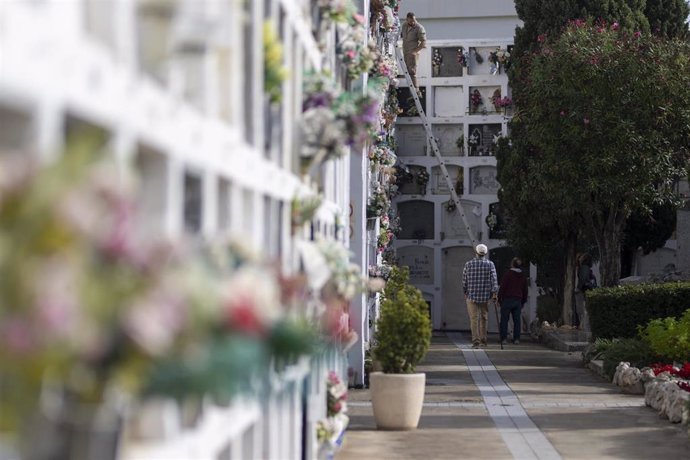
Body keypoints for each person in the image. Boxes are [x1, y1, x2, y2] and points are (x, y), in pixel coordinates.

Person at [462, 244, 498, 348]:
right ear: (485, 253)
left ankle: (476, 341)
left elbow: (464, 280)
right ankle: (483, 340)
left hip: (471, 296)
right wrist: (494, 293)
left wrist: (465, 291)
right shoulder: (490, 264)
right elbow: (494, 281)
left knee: (474, 319)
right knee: (484, 318)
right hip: (485, 296)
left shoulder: (468, 264)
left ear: (476, 252)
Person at [498, 257, 528, 345]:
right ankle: (516, 339)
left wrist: (499, 299)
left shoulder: (508, 274)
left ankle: (503, 339)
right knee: (517, 321)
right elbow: (525, 290)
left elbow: (503, 287)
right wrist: (523, 301)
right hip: (518, 300)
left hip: (507, 299)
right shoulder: (523, 275)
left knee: (504, 320)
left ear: (512, 264)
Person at [401, 12, 426, 89]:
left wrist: (415, 51)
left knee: (412, 71)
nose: (413, 22)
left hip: (413, 53)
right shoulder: (404, 25)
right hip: (405, 51)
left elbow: (423, 42)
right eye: (411, 21)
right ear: (407, 19)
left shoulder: (419, 28)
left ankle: (416, 90)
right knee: (407, 71)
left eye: (414, 20)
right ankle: (411, 90)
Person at [575, 252, 595, 330]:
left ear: (584, 259)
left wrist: (578, 288)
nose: (579, 258)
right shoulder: (586, 268)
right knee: (584, 310)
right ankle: (583, 326)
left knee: (581, 310)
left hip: (582, 291)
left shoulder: (584, 268)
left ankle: (583, 326)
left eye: (581, 257)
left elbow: (583, 279)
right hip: (586, 290)